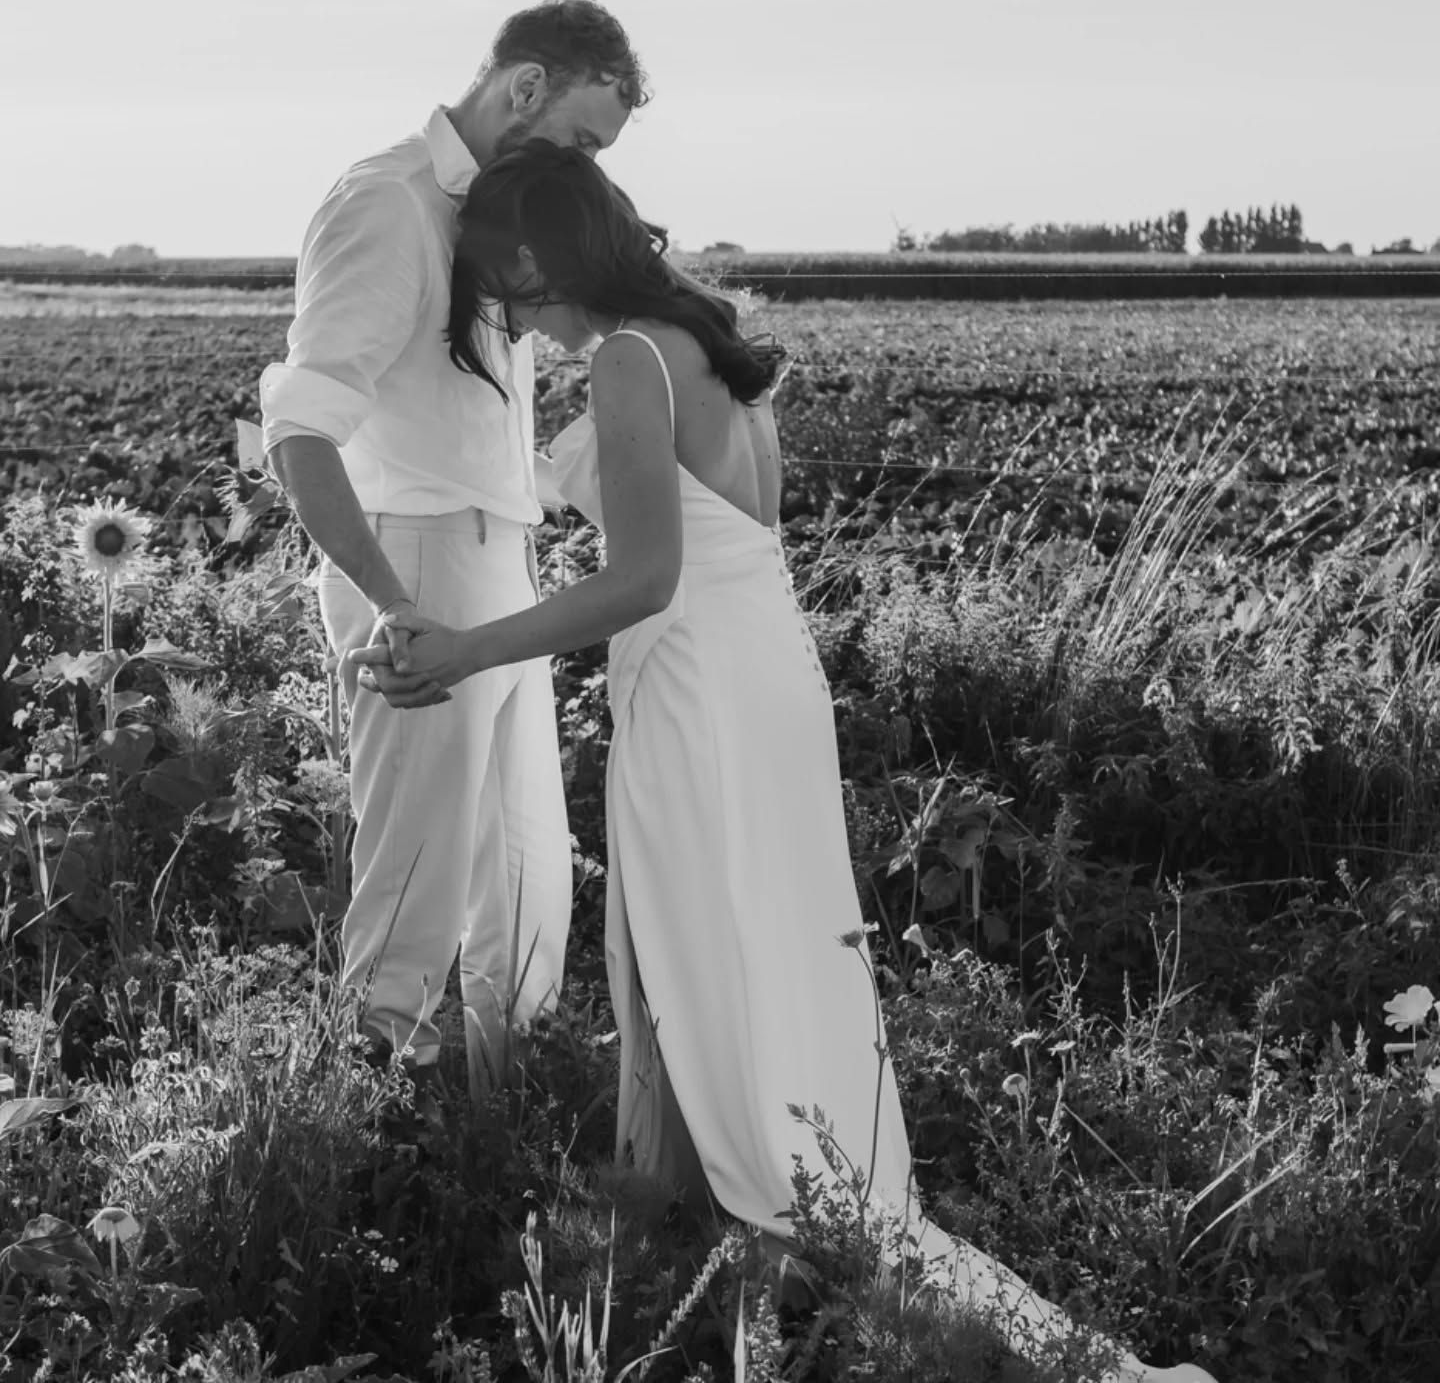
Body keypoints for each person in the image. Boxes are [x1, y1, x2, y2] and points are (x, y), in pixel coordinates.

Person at [348, 143, 1219, 1383]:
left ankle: (712, 1241)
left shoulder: (629, 364)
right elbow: (735, 540)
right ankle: (713, 1238)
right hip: (765, 673)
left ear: (545, 258)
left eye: (509, 285)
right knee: (750, 947)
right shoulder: (708, 340)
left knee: (692, 954)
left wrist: (469, 651)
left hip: (697, 685)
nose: (511, 314)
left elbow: (647, 576)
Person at [258, 0, 646, 1102]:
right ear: (523, 88)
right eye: (580, 137)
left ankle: (487, 1121)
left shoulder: (501, 215)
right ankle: (363, 1132)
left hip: (499, 564)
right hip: (415, 563)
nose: (585, 168)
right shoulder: (388, 204)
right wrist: (390, 604)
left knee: (521, 881)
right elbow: (300, 430)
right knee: (416, 882)